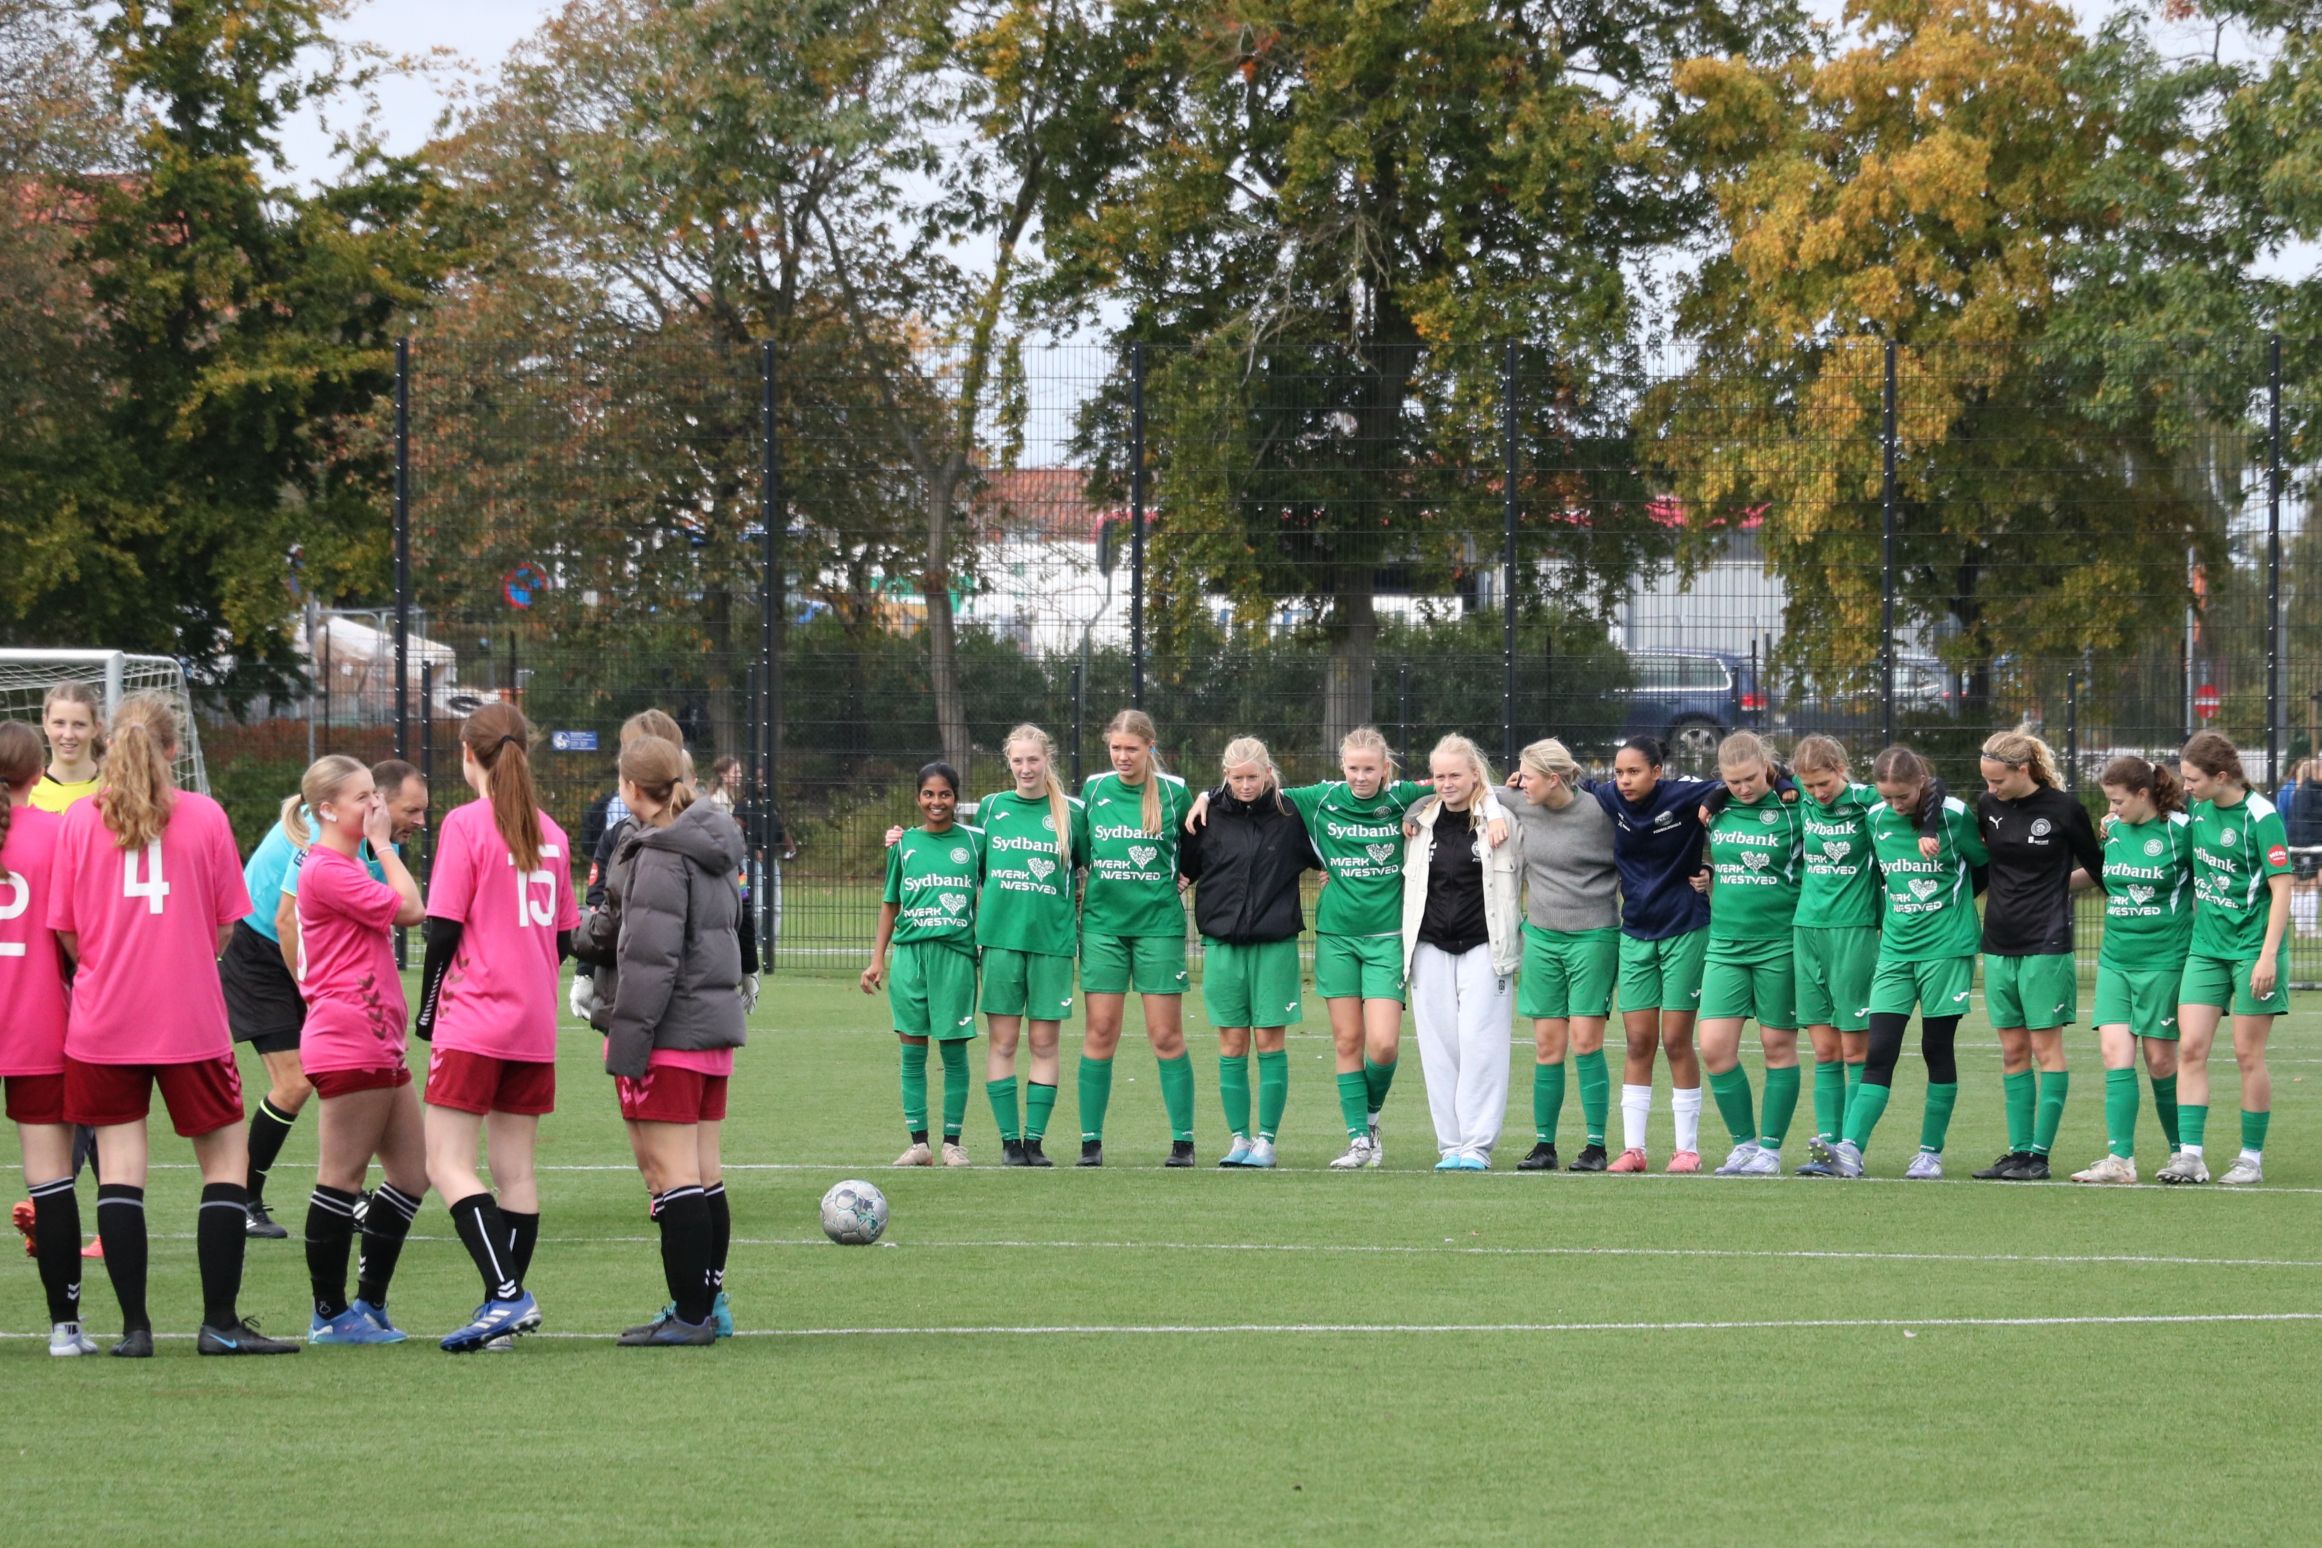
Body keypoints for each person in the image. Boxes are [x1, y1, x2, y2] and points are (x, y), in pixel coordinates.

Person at [50, 693, 297, 1355]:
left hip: (104, 1020)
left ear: (108, 742)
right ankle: (219, 1324)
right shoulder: (205, 816)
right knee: (224, 1164)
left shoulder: (79, 820)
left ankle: (136, 1330)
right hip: (189, 1018)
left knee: (120, 1168)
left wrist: (111, 963)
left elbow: (67, 933)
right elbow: (225, 927)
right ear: (173, 749)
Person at [417, 703, 578, 1351]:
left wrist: (428, 1006)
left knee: (445, 1162)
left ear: (467, 753)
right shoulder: (553, 832)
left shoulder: (464, 824)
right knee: (517, 1173)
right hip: (533, 1023)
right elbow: (565, 938)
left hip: (475, 1018)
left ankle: (507, 1294)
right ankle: (500, 1313)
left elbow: (442, 929)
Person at [604, 734, 750, 1346]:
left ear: (631, 787)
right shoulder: (713, 843)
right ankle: (706, 1307)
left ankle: (690, 1315)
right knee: (705, 1174)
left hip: (671, 1034)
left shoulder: (660, 854)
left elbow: (650, 961)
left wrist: (628, 1047)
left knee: (675, 1177)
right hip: (711, 1032)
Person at [284, 756, 428, 1344]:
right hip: (349, 1040)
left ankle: (369, 1304)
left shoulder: (344, 865)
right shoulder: (327, 868)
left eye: (376, 794)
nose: (375, 805)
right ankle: (330, 1313)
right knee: (341, 1178)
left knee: (412, 1174)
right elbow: (412, 910)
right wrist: (385, 845)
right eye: (363, 797)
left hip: (377, 1041)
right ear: (327, 810)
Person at [1808, 746, 1987, 1179]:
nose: (1894, 804)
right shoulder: (1875, 818)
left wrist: (1953, 906)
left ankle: (1930, 1154)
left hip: (1946, 950)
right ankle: (1849, 1151)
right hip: (1894, 951)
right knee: (1879, 1050)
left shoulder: (1955, 815)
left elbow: (1983, 866)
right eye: (1887, 796)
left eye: (1902, 796)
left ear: (1921, 782)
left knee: (1935, 1048)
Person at [1582, 737, 1755, 1173]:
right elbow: (1573, 784)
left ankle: (1686, 1150)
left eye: (1634, 772)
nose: (1624, 780)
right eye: (1619, 772)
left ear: (1657, 771)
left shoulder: (1683, 795)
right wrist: (1519, 781)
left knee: (1677, 1041)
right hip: (1635, 934)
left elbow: (1744, 782)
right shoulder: (1611, 797)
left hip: (1685, 931)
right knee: (1639, 1042)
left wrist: (1715, 811)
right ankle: (1634, 1150)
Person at [1775, 736, 1931, 1171]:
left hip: (1855, 931)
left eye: (1824, 783)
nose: (1817, 793)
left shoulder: (1869, 802)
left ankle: (1850, 1148)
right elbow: (1759, 775)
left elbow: (1922, 797)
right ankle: (1826, 1148)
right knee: (1824, 1051)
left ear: (1841, 769)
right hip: (1807, 930)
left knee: (1855, 1050)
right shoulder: (1801, 798)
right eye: (1809, 785)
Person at [1963, 728, 2105, 1183]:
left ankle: (2039, 1157)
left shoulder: (2065, 809)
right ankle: (2018, 1152)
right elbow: (1986, 869)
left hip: (2046, 944)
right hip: (1997, 943)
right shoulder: (1988, 807)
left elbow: (2099, 869)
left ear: (2023, 770)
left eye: (1997, 780)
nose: (1990, 790)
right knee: (2012, 1052)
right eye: (1986, 781)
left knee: (2047, 1050)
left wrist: (2057, 884)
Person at [2157, 731, 2293, 1186]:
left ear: (2220, 776)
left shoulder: (2262, 816)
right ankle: (2190, 1157)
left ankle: (2250, 1159)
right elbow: (2149, 804)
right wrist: (2113, 819)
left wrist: (2267, 957)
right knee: (2190, 1048)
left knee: (2247, 1054)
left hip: (2253, 950)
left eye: (2193, 779)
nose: (2186, 786)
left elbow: (2282, 887)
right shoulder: (2198, 808)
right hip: (2206, 949)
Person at [1178, 738, 1318, 1167]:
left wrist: (1330, 870)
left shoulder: (1293, 814)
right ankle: (1239, 1140)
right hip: (1222, 947)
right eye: (1236, 778)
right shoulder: (1206, 816)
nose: (1245, 785)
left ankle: (1266, 1142)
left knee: (1269, 1042)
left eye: (1252, 777)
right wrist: (1205, 797)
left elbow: (1328, 852)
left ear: (1267, 773)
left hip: (1275, 946)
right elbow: (1185, 871)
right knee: (1232, 1043)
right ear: (1225, 776)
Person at [0, 721, 93, 1354]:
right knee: (51, 1181)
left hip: (36, 1026)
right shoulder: (59, 833)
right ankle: (65, 1329)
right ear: (40, 774)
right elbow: (77, 933)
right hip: (39, 1025)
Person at [1076, 710, 1196, 1167]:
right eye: (1116, 748)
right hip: (1103, 927)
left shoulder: (1175, 792)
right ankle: (1090, 1143)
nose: (1123, 756)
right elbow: (1080, 847)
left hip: (1158, 927)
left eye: (1132, 748)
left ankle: (1183, 1142)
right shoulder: (1094, 790)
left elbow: (1200, 845)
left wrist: (1187, 875)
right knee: (1100, 1031)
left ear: (1150, 747)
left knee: (1165, 1035)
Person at [2067, 756, 2193, 1183]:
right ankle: (2120, 1160)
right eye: (2109, 801)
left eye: (2118, 801)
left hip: (2164, 960)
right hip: (2115, 959)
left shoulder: (2181, 831)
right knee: (2114, 1054)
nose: (2112, 809)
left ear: (2144, 794)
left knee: (2160, 1060)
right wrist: (2044, 883)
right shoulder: (2116, 830)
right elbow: (2100, 874)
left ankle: (2182, 1153)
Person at [1401, 735, 1523, 1170]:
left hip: (1485, 948)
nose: (1447, 783)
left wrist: (1492, 806)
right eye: (1439, 776)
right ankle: (1450, 1146)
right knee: (1439, 1050)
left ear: (1475, 774)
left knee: (1481, 1045)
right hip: (1428, 947)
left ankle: (1476, 1146)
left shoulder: (1503, 818)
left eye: (1455, 774)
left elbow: (1532, 796)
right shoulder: (1419, 820)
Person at [1500, 738, 1618, 1171]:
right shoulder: (1521, 800)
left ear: (1554, 778)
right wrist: (1413, 815)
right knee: (1548, 1046)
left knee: (1586, 1043)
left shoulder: (1601, 810)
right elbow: (1458, 790)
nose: (1521, 783)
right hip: (1542, 938)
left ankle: (1596, 1147)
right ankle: (1544, 1146)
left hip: (1594, 937)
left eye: (1528, 776)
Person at [1692, 732, 1806, 1176]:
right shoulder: (1715, 807)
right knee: (1714, 1049)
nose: (1742, 788)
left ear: (1767, 767)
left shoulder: (1794, 805)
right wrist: (1706, 867)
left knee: (1777, 1046)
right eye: (1732, 781)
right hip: (1724, 945)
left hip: (1780, 944)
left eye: (1750, 779)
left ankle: (1770, 1151)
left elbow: (1837, 792)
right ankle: (1744, 1145)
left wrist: (1786, 781)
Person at [972, 725, 1085, 1166]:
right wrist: (901, 840)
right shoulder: (992, 808)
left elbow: (1092, 866)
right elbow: (966, 859)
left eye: (1033, 759)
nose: (1025, 768)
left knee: (1043, 1043)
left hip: (1052, 944)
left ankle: (1034, 1142)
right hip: (999, 940)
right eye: (1017, 760)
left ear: (1047, 760)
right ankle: (1009, 1144)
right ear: (1008, 762)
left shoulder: (1071, 814)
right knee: (1002, 1043)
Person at [862, 763, 984, 1166]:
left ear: (956, 798)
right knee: (912, 1051)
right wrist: (877, 960)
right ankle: (919, 1145)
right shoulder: (904, 844)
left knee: (953, 1051)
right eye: (929, 794)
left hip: (955, 958)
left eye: (944, 794)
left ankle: (952, 1144)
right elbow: (890, 903)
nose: (937, 802)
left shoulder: (975, 842)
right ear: (918, 798)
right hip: (910, 958)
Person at [30, 680, 104, 814]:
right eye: (59, 723)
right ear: (45, 724)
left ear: (95, 728)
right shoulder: (28, 791)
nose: (68, 734)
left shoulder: (114, 788)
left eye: (79, 725)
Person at [2283, 758, 2322, 939]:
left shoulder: (2305, 790)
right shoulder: (2308, 791)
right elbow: (2305, 819)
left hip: (2303, 844)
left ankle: (2303, 927)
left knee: (2303, 883)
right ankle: (2305, 927)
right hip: (2307, 845)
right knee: (2307, 883)